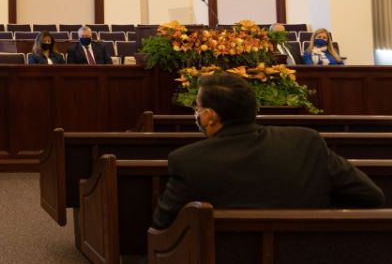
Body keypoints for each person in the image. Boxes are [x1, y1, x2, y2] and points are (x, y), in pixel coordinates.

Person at [151, 72, 383, 229]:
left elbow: (162, 225)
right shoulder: (306, 142)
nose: (197, 113)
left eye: (198, 107)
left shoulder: (188, 160)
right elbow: (371, 196)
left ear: (210, 116)